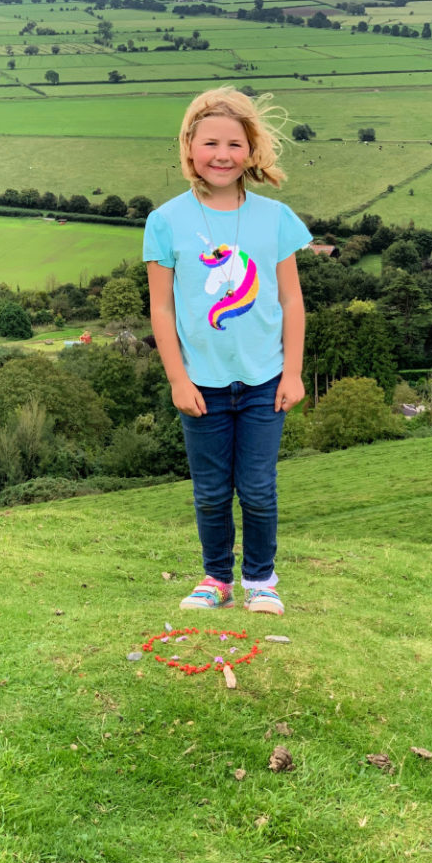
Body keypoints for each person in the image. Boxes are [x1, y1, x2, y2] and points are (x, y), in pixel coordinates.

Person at [143, 86, 311, 615]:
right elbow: (162, 310)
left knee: (258, 489)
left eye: (235, 143)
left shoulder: (276, 217)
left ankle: (260, 580)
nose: (222, 154)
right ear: (189, 146)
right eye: (210, 141)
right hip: (202, 384)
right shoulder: (165, 221)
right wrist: (177, 379)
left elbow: (291, 300)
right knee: (212, 492)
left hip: (265, 380)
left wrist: (294, 373)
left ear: (252, 150)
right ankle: (216, 578)